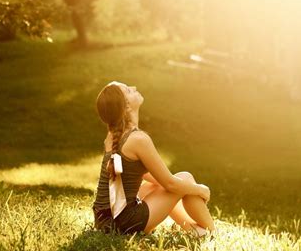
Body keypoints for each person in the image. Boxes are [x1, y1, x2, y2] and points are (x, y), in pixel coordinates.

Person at [92, 81, 215, 236]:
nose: (134, 87)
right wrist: (201, 190)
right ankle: (211, 232)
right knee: (185, 178)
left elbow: (142, 176)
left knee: (161, 186)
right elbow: (171, 184)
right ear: (127, 107)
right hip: (122, 223)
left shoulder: (112, 136)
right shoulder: (138, 139)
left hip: (104, 221)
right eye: (129, 90)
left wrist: (173, 186)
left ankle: (195, 231)